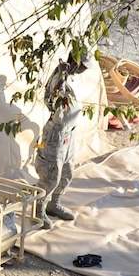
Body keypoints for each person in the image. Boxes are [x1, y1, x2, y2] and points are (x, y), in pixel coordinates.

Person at [32, 53, 86, 224]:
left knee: (66, 170)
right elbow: (54, 98)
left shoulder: (73, 77)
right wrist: (62, 76)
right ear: (75, 62)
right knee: (50, 172)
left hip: (69, 131)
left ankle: (54, 203)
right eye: (83, 65)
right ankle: (38, 207)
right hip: (56, 132)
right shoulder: (60, 77)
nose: (84, 69)